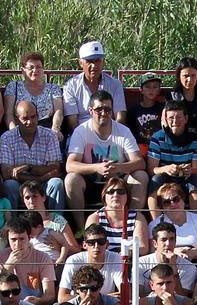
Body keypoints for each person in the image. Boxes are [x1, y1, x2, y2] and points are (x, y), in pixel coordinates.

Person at [63, 90, 147, 220]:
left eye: (108, 110)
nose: (104, 113)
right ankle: (82, 230)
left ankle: (130, 224)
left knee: (141, 176)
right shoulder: (81, 131)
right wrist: (97, 167)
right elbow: (70, 165)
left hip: (118, 181)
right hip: (90, 182)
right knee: (71, 179)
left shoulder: (123, 131)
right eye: (99, 109)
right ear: (90, 111)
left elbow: (139, 162)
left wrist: (118, 168)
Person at [0, 96, 65, 208]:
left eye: (33, 117)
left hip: (44, 183)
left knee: (56, 183)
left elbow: (55, 168)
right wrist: (39, 177)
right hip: (20, 185)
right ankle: (13, 223)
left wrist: (28, 167)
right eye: (25, 118)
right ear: (17, 119)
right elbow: (7, 173)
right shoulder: (7, 138)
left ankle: (56, 222)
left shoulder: (50, 135)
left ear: (38, 116)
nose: (30, 122)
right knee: (9, 185)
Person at [61, 40, 128, 133]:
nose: (94, 65)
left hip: (110, 133)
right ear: (80, 63)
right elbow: (73, 122)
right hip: (81, 134)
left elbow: (120, 117)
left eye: (97, 61)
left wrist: (111, 136)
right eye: (89, 61)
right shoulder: (71, 86)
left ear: (102, 62)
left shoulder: (115, 84)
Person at [2, 51, 62, 135]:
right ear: (23, 70)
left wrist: (55, 129)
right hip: (21, 127)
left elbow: (58, 111)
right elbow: (8, 114)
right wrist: (14, 131)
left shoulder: (53, 88)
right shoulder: (13, 87)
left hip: (46, 127)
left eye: (38, 67)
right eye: (31, 67)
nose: (35, 70)